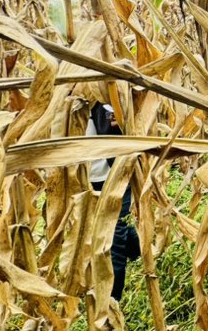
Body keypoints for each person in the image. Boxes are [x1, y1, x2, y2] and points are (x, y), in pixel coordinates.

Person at [87, 103, 141, 301]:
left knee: (113, 240)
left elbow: (133, 128)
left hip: (116, 177)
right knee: (119, 228)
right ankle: (138, 251)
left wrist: (121, 123)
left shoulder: (106, 99)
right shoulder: (64, 107)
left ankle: (112, 303)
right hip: (86, 184)